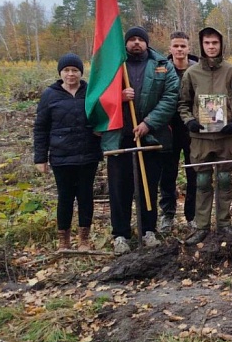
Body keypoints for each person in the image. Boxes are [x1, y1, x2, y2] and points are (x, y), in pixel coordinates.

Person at [102, 26, 180, 255]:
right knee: (119, 189)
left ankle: (148, 230)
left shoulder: (162, 66)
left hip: (150, 137)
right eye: (132, 39)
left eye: (140, 39)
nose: (136, 43)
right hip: (119, 137)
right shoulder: (113, 66)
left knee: (148, 186)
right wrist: (118, 96)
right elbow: (99, 95)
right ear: (125, 43)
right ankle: (121, 234)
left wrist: (149, 123)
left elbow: (170, 97)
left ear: (147, 43)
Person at [178, 27, 232, 245]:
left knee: (224, 178)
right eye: (207, 43)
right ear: (202, 45)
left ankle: (224, 224)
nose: (211, 47)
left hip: (225, 137)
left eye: (215, 43)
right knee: (202, 181)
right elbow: (182, 103)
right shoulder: (191, 73)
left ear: (221, 45)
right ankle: (201, 226)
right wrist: (189, 120)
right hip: (200, 138)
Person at [34, 53, 102, 251]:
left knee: (85, 195)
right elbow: (41, 128)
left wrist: (100, 129)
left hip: (87, 154)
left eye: (75, 70)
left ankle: (84, 239)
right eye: (66, 70)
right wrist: (40, 158)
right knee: (65, 197)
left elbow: (102, 115)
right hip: (61, 156)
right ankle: (64, 240)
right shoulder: (50, 95)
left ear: (81, 72)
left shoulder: (90, 92)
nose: (70, 74)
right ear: (60, 73)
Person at [158, 31, 199, 234]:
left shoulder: (198, 69)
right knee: (168, 174)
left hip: (192, 129)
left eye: (183, 46)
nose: (180, 50)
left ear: (188, 48)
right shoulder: (161, 70)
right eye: (176, 46)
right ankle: (167, 214)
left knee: (193, 172)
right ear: (170, 48)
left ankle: (192, 216)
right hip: (168, 128)